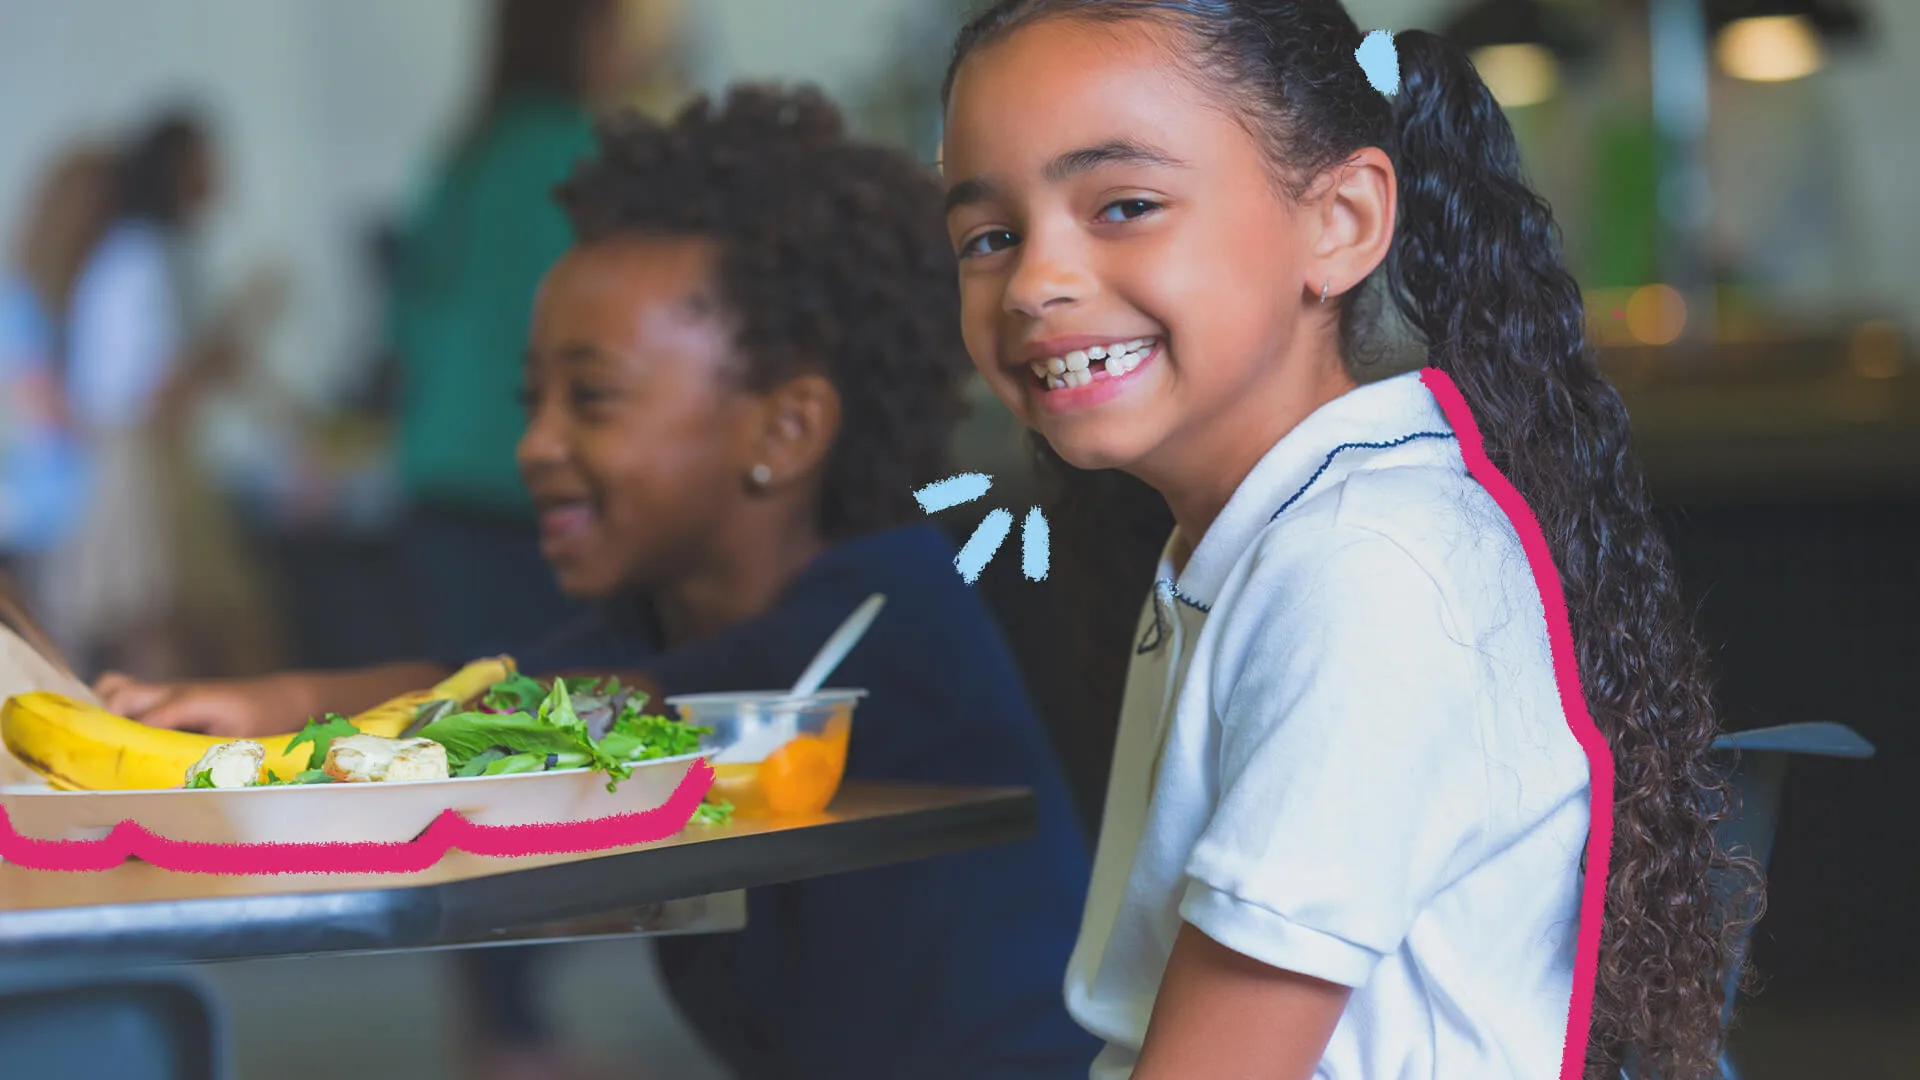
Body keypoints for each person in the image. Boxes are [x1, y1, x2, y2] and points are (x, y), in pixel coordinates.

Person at [99, 86, 1102, 1080]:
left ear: (784, 429)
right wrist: (257, 708)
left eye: (595, 399)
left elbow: (542, 719)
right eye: (531, 401)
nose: (535, 445)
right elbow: (475, 685)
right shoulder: (653, 621)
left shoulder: (883, 608)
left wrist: (280, 718)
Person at [937, 4, 1761, 1079]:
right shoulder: (1258, 536)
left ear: (1340, 222)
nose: (1036, 280)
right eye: (988, 237)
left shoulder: (1362, 571)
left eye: (1125, 205)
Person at [388, 0, 640, 663]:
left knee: (464, 715)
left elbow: (404, 326)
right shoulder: (586, 158)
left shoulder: (462, 159)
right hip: (542, 496)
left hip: (437, 486)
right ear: (585, 35)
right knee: (557, 718)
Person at [46, 109, 284, 680]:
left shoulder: (154, 254)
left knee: (177, 632)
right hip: (140, 465)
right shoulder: (143, 259)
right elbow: (155, 389)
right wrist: (238, 325)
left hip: (151, 459)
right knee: (161, 634)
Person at [0, 144, 115, 599]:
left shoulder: (84, 299)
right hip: (52, 511)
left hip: (89, 503)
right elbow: (41, 404)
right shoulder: (23, 300)